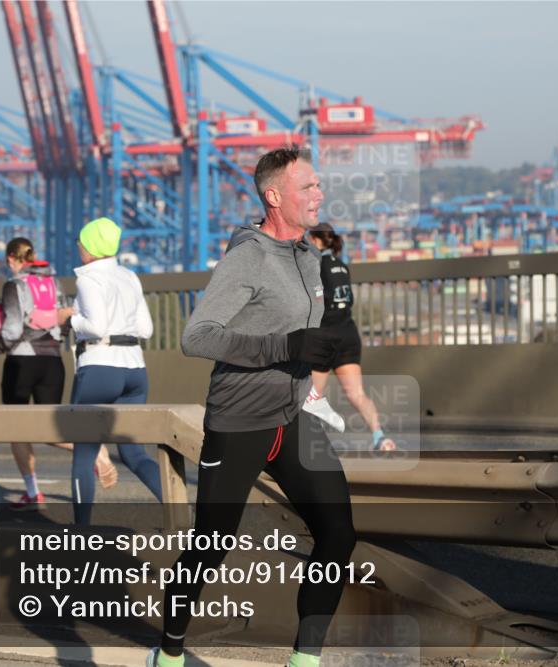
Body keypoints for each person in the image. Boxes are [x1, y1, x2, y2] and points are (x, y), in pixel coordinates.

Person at [150, 147, 355, 667]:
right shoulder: (249, 256)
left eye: (317, 185)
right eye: (307, 187)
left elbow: (305, 331)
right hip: (240, 420)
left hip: (291, 415)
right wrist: (284, 347)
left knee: (338, 532)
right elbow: (197, 337)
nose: (318, 194)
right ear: (274, 196)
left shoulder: (310, 257)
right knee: (210, 547)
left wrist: (321, 350)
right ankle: (169, 652)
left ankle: (304, 660)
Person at [0, 237, 119, 510]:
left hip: (22, 362)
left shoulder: (14, 285)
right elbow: (65, 320)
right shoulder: (55, 283)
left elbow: (12, 331)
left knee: (17, 428)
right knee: (51, 428)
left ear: (11, 260)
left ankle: (33, 491)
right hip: (52, 361)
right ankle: (90, 447)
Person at [58, 217, 163, 524]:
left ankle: (81, 531)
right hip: (134, 369)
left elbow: (96, 326)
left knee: (84, 453)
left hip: (99, 368)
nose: (78, 247)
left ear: (90, 247)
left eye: (80, 242)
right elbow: (145, 328)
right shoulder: (130, 276)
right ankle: (183, 514)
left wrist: (69, 317)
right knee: (135, 454)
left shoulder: (88, 279)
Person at [305, 223, 397, 451]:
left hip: (324, 337)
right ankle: (380, 437)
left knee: (312, 397)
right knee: (357, 394)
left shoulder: (313, 265)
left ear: (316, 240)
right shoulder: (343, 267)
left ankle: (311, 445)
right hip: (347, 334)